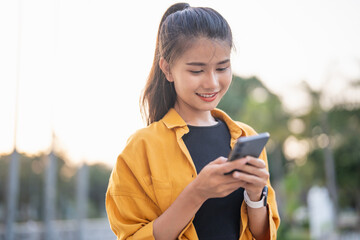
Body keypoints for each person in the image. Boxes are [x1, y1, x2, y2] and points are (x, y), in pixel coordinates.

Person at [106, 2, 280, 240]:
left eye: (222, 68)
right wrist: (197, 193)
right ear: (167, 69)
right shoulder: (141, 147)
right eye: (197, 71)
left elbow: (263, 235)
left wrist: (254, 195)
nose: (212, 83)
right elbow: (131, 236)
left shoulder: (245, 137)